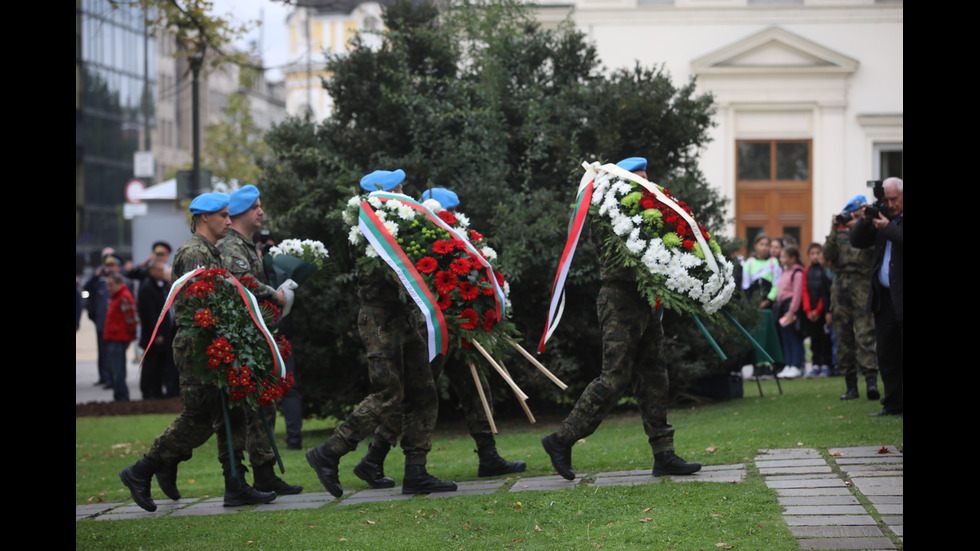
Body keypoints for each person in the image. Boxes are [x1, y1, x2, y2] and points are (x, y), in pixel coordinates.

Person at [541, 157, 701, 480]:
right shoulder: (605, 213)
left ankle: (664, 453)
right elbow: (624, 258)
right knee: (614, 378)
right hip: (619, 300)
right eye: (637, 181)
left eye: (646, 180)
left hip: (645, 302)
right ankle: (561, 440)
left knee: (655, 375)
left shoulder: (649, 213)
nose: (645, 187)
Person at [352, 187, 525, 488]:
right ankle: (374, 458)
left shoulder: (451, 236)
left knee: (475, 386)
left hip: (456, 326)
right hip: (431, 331)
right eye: (450, 214)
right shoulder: (426, 237)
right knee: (415, 396)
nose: (455, 219)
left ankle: (488, 454)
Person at [119, 192, 276, 512]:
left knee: (230, 414)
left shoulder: (210, 251)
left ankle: (236, 486)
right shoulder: (193, 253)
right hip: (199, 347)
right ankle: (142, 470)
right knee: (199, 417)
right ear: (205, 218)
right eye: (223, 216)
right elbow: (196, 306)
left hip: (216, 343)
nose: (229, 221)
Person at [307, 169, 457, 496]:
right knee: (387, 394)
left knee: (423, 392)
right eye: (401, 188)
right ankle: (329, 452)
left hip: (399, 317)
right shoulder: (370, 232)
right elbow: (397, 275)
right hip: (379, 321)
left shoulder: (386, 227)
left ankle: (416, 470)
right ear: (392, 192)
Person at [217, 185, 302, 496]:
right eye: (255, 207)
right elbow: (240, 281)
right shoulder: (231, 246)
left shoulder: (247, 245)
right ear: (240, 213)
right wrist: (274, 295)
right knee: (250, 410)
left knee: (264, 405)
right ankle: (245, 480)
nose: (261, 212)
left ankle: (265, 473)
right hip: (242, 339)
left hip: (256, 334)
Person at [852, 178, 903, 417]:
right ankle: (892, 404)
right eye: (886, 199)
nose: (890, 204)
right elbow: (857, 241)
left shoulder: (890, 224)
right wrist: (865, 220)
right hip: (884, 298)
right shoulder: (882, 217)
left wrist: (888, 228)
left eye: (894, 199)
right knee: (886, 352)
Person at [823, 197, 879, 400]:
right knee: (843, 335)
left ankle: (871, 381)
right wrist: (834, 228)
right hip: (841, 285)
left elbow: (876, 252)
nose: (852, 220)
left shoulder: (870, 230)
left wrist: (862, 225)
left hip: (863, 284)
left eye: (856, 216)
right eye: (850, 216)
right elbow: (827, 255)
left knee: (866, 334)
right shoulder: (839, 234)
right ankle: (851, 386)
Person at [137, 259, 178, 400]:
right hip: (154, 336)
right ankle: (148, 392)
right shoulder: (148, 288)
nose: (162, 273)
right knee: (151, 366)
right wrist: (157, 333)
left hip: (166, 334)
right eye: (160, 270)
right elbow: (150, 314)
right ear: (152, 271)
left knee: (161, 366)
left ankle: (158, 392)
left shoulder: (162, 287)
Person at [84, 251, 124, 389]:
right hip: (102, 322)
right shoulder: (99, 281)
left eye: (113, 265)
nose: (110, 268)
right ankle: (104, 377)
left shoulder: (123, 282)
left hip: (118, 325)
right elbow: (86, 289)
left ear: (119, 267)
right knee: (102, 352)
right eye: (108, 266)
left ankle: (114, 379)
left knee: (114, 353)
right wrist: (96, 274)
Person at [103, 272, 139, 402]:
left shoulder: (123, 297)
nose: (108, 288)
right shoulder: (117, 296)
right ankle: (119, 395)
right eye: (107, 285)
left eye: (111, 285)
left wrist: (133, 335)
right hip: (114, 337)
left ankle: (121, 397)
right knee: (115, 369)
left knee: (117, 371)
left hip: (118, 338)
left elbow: (132, 319)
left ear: (119, 284)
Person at [801, 243, 833, 377]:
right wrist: (808, 311)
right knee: (814, 339)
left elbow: (824, 293)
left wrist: (819, 310)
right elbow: (805, 290)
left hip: (822, 311)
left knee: (824, 339)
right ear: (808, 255)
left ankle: (826, 364)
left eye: (818, 253)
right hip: (811, 313)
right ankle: (816, 364)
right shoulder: (807, 271)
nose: (815, 256)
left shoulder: (824, 270)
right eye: (812, 253)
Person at [774, 245, 805, 378]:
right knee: (785, 337)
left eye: (784, 256)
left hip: (790, 309)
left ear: (793, 258)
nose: (781, 259)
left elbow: (797, 294)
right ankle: (788, 364)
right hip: (782, 307)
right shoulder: (785, 271)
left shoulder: (797, 273)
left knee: (793, 337)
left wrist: (791, 311)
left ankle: (796, 365)